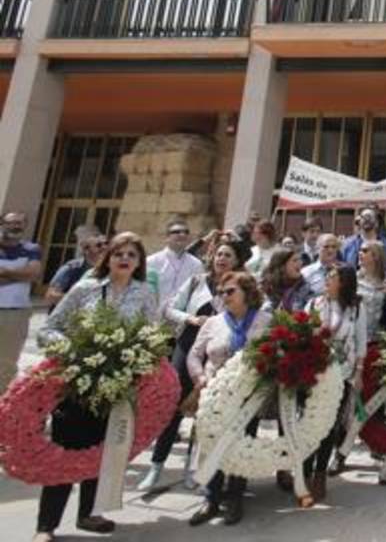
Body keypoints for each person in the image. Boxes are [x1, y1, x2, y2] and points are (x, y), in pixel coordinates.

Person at [35, 232, 160, 540]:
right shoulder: (86, 288)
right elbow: (49, 329)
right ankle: (46, 526)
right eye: (119, 253)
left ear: (139, 262)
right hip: (78, 385)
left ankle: (89, 514)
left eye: (132, 254)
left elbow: (152, 336)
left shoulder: (144, 293)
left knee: (102, 454)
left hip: (116, 388)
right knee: (64, 455)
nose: (125, 259)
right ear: (109, 257)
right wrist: (73, 351)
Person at [139, 239, 249, 492]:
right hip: (188, 344)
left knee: (205, 408)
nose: (221, 258)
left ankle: (194, 467)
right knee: (175, 405)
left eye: (228, 255)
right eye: (219, 254)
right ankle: (157, 465)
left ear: (237, 261)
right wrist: (190, 318)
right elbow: (168, 309)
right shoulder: (197, 282)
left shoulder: (238, 287)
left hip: (218, 352)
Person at [186, 271, 272, 527]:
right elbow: (194, 354)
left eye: (230, 291)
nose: (224, 297)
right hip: (216, 395)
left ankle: (235, 497)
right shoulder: (214, 323)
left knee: (241, 446)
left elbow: (277, 352)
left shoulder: (265, 321)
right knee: (213, 445)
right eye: (221, 292)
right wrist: (200, 377)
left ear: (247, 292)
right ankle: (211, 499)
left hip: (249, 397)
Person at [302, 266, 365, 505]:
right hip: (314, 373)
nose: (327, 280)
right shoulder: (314, 304)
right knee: (309, 421)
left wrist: (358, 373)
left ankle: (320, 474)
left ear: (344, 282)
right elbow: (303, 333)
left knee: (330, 425)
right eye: (327, 276)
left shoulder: (356, 308)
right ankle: (304, 472)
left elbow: (360, 343)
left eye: (332, 277)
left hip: (342, 374)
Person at [0, 211, 41, 392]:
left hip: (15, 313)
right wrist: (19, 275)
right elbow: (25, 274)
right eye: (11, 223)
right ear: (2, 224)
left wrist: (4, 273)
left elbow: (33, 274)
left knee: (7, 363)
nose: (15, 226)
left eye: (19, 223)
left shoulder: (31, 249)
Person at [147, 218, 204, 316]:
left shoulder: (196, 265)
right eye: (176, 232)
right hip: (154, 317)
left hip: (183, 319)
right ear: (167, 237)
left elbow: (198, 294)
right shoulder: (152, 261)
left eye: (186, 232)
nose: (182, 235)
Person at [45, 226, 103, 304]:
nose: (104, 247)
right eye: (99, 245)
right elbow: (51, 295)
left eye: (106, 244)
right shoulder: (72, 268)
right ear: (86, 249)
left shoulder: (110, 268)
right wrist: (79, 300)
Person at [261, 247, 315, 313]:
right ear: (282, 266)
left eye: (300, 259)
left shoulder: (305, 287)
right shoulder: (268, 287)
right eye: (295, 260)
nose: (301, 263)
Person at [358, 239, 386, 337]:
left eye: (364, 251)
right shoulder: (354, 279)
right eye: (359, 250)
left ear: (376, 255)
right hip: (359, 335)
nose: (360, 253)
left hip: (380, 336)